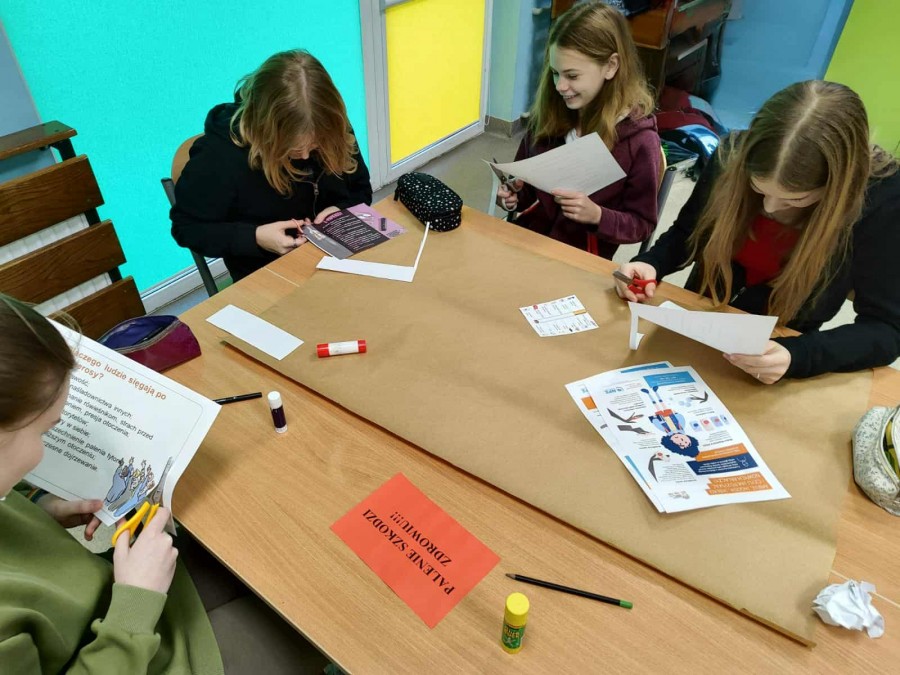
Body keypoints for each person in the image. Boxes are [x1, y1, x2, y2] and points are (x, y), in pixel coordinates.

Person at [0, 295, 329, 673]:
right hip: (131, 647)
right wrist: (135, 604)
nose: (45, 446)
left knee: (278, 558)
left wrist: (37, 515)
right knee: (317, 620)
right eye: (45, 431)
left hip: (119, 600)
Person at [615, 81, 900, 383]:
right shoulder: (731, 155)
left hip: (779, 349)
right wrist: (652, 263)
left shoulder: (883, 201)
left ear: (839, 185)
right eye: (758, 188)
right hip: (700, 324)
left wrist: (798, 355)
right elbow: (688, 233)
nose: (770, 207)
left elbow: (886, 329)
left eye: (795, 199)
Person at [171, 49, 373, 282]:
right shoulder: (219, 155)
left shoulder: (329, 124)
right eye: (292, 149)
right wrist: (255, 237)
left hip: (335, 260)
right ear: (264, 129)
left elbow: (361, 190)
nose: (305, 155)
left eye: (315, 144)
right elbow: (187, 227)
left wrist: (342, 210)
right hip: (267, 274)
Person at [497, 1, 661, 259]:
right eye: (555, 73)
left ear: (611, 66)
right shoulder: (551, 114)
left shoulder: (639, 141)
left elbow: (641, 224)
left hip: (579, 260)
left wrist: (598, 216)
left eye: (572, 76)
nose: (560, 86)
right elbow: (526, 189)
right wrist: (513, 195)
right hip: (528, 242)